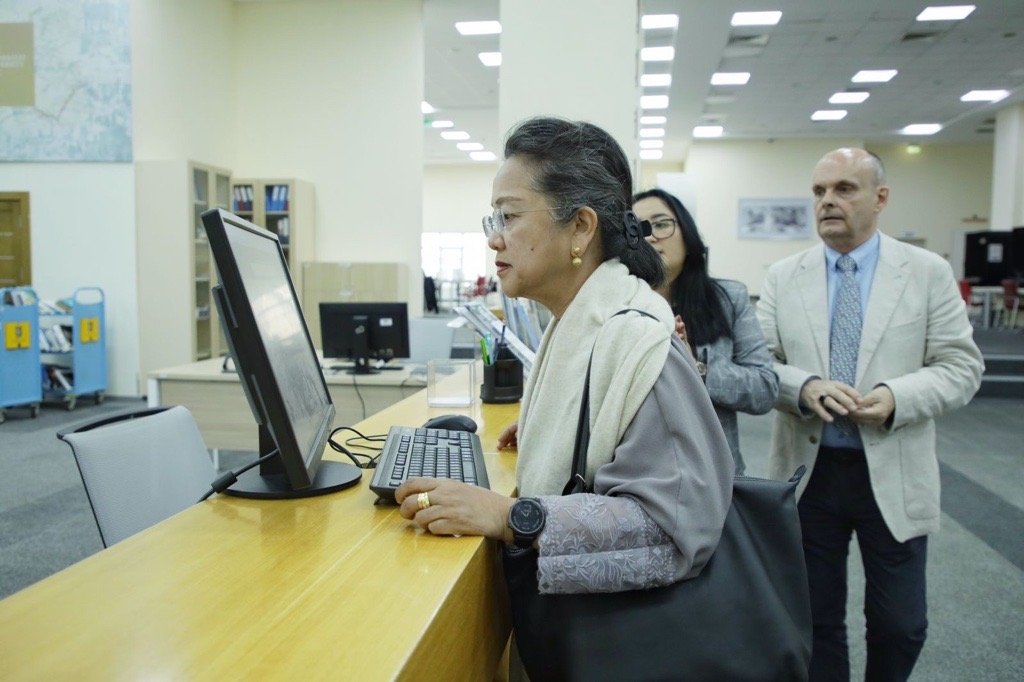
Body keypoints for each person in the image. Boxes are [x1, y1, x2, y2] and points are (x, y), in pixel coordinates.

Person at [395, 117, 732, 603]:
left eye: (508, 217)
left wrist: (508, 515)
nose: (494, 239)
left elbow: (672, 526)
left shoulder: (636, 340)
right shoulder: (579, 320)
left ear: (580, 228)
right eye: (494, 220)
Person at [757, 148, 983, 681]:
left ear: (880, 198)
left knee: (901, 624)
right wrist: (805, 385)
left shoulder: (926, 272)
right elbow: (760, 364)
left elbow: (960, 366)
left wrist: (897, 397)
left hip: (895, 471)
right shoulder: (784, 276)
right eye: (818, 192)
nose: (828, 202)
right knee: (815, 620)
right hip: (809, 475)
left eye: (843, 189)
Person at [633, 188, 778, 474]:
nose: (650, 235)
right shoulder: (617, 304)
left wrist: (698, 367)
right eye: (638, 228)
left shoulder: (728, 299)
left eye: (661, 223)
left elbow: (765, 389)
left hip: (716, 477)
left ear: (686, 235)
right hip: (638, 476)